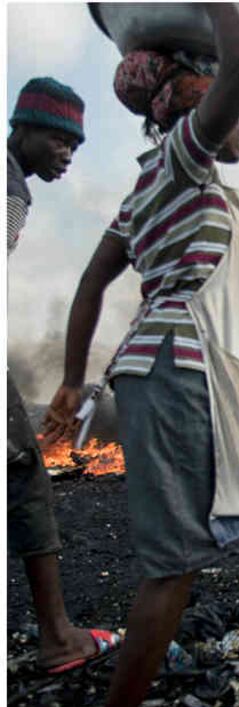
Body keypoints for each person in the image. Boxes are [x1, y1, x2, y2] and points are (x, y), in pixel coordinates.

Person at [41, 6, 239, 707]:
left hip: (207, 373)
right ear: (195, 93)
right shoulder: (186, 153)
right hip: (181, 374)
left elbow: (94, 281)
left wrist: (73, 378)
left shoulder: (146, 188)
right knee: (175, 565)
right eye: (227, 104)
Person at [7, 76, 124, 674]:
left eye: (76, 146)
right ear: (21, 128)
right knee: (25, 478)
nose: (68, 154)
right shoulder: (8, 184)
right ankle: (56, 638)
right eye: (59, 139)